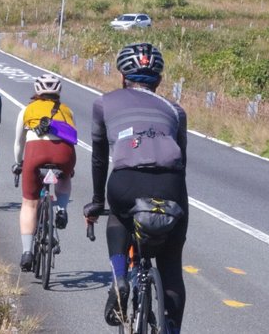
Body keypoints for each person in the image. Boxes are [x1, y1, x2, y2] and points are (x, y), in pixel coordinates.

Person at [83, 42, 188, 334]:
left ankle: (119, 280)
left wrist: (95, 201)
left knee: (119, 216)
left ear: (122, 77)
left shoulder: (104, 103)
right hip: (171, 184)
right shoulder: (175, 110)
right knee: (170, 266)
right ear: (160, 80)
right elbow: (182, 163)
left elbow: (99, 158)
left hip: (125, 182)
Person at [11, 74, 77, 272]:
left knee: (29, 204)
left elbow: (18, 142)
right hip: (64, 154)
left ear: (37, 90)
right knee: (65, 176)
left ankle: (26, 253)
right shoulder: (67, 111)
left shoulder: (27, 110)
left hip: (35, 153)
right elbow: (72, 137)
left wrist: (17, 163)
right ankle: (62, 209)